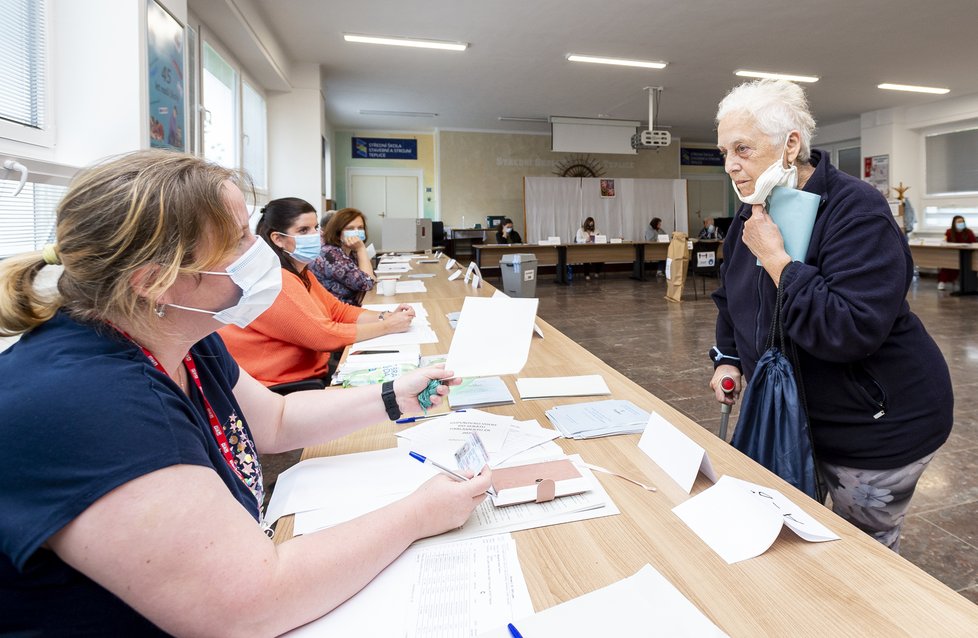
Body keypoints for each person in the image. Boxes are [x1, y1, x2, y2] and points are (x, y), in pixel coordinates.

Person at [0, 151, 489, 636]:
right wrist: (418, 514)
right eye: (238, 240)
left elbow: (274, 420)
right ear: (156, 282)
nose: (259, 252)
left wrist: (394, 396)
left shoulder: (185, 335)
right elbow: (251, 606)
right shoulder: (85, 402)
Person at [709, 79, 952, 552]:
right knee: (799, 539)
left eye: (742, 148)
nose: (730, 165)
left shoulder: (857, 209)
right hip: (795, 419)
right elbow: (732, 298)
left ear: (790, 145)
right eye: (723, 152)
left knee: (861, 552)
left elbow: (849, 328)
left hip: (877, 425)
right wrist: (728, 359)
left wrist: (779, 262)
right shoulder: (752, 211)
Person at [220, 197, 414, 388]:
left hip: (311, 370)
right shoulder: (276, 280)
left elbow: (338, 311)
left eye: (315, 228)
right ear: (278, 239)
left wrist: (385, 316)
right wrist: (388, 326)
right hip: (283, 386)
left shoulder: (302, 273)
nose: (314, 235)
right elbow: (324, 336)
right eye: (303, 230)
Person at [310, 207, 376, 305]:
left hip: (352, 307)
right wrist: (361, 249)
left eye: (360, 227)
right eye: (350, 228)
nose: (356, 232)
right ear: (337, 231)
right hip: (338, 313)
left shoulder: (349, 250)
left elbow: (371, 277)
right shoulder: (330, 254)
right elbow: (367, 283)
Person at [937, 215, 976, 290]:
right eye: (959, 222)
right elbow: (945, 242)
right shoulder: (949, 232)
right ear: (954, 223)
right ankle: (942, 282)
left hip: (967, 255)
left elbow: (974, 243)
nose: (961, 223)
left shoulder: (968, 232)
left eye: (962, 221)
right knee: (946, 265)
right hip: (952, 255)